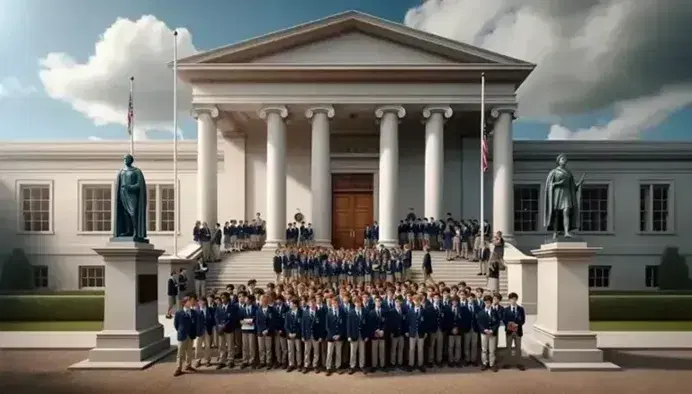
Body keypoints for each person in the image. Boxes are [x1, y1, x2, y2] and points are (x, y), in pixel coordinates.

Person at [173, 297, 197, 377]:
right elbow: (176, 325)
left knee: (189, 352)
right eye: (189, 301)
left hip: (191, 335)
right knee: (180, 353)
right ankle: (178, 368)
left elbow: (194, 323)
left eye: (191, 301)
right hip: (182, 335)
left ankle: (188, 365)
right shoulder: (179, 313)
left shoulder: (193, 312)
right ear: (184, 303)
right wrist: (181, 330)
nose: (191, 302)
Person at [503, 292, 526, 370]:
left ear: (516, 299)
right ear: (509, 300)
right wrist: (510, 325)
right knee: (508, 347)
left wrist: (517, 325)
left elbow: (523, 320)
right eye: (512, 299)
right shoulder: (506, 310)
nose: (513, 301)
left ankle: (519, 363)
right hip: (509, 331)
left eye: (515, 299)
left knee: (518, 348)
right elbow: (504, 320)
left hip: (518, 331)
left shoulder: (521, 309)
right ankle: (507, 363)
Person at [477, 295, 500, 372]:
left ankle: (492, 364)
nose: (487, 304)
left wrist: (492, 330)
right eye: (486, 302)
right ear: (484, 303)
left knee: (492, 350)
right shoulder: (480, 312)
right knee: (484, 349)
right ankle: (484, 363)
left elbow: (497, 322)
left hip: (492, 333)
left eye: (489, 302)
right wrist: (484, 330)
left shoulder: (495, 312)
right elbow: (479, 323)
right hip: (484, 333)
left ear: (491, 302)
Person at [346, 297, 368, 374]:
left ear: (361, 303)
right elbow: (348, 325)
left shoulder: (365, 311)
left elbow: (367, 325)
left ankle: (362, 366)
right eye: (356, 302)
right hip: (353, 335)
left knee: (362, 352)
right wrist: (349, 336)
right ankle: (352, 366)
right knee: (353, 352)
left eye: (359, 302)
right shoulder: (351, 312)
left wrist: (366, 336)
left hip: (362, 335)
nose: (358, 304)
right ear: (354, 303)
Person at [406, 294, 427, 372]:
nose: (417, 302)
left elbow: (425, 323)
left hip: (421, 333)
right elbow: (407, 322)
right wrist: (406, 331)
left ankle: (420, 364)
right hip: (412, 333)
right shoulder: (410, 311)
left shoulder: (423, 311)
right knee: (411, 349)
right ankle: (411, 364)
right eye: (415, 300)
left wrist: (425, 332)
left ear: (420, 301)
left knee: (420, 349)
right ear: (413, 301)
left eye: (418, 300)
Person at [325, 296, 345, 376]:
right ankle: (328, 368)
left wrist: (339, 335)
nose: (334, 304)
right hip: (331, 337)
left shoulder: (342, 313)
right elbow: (327, 326)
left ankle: (338, 367)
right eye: (333, 303)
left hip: (339, 337)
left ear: (338, 304)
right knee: (329, 353)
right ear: (331, 304)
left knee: (338, 353)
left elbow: (344, 325)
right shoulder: (328, 313)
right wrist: (333, 335)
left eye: (335, 303)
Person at [194, 298, 215, 367]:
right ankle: (198, 360)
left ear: (205, 302)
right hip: (199, 331)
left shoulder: (210, 310)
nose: (201, 303)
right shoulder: (196, 310)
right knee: (198, 346)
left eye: (202, 301)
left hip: (207, 330)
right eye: (199, 301)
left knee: (207, 346)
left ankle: (207, 360)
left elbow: (213, 319)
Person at [255, 295, 275, 369]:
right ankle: (262, 361)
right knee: (261, 348)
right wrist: (262, 330)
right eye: (262, 300)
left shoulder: (272, 310)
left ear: (268, 301)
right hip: (260, 332)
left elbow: (273, 322)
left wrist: (267, 330)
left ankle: (268, 362)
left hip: (268, 332)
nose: (264, 301)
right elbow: (257, 322)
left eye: (266, 300)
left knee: (268, 348)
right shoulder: (258, 310)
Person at [369, 296, 387, 372]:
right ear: (374, 302)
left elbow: (386, 322)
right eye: (376, 301)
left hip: (382, 334)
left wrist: (382, 331)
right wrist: (376, 331)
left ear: (381, 302)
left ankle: (382, 365)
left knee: (382, 350)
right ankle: (374, 365)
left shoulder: (384, 311)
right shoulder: (371, 312)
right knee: (374, 350)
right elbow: (370, 324)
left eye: (379, 301)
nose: (378, 302)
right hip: (374, 334)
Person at [284, 297, 302, 372]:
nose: (289, 305)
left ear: (295, 304)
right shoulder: (288, 313)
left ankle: (299, 364)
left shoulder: (301, 312)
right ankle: (291, 364)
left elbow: (302, 325)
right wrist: (289, 333)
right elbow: (286, 325)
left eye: (290, 303)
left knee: (298, 350)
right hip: (290, 335)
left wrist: (296, 333)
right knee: (290, 350)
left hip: (297, 335)